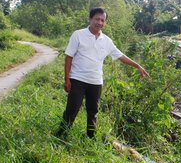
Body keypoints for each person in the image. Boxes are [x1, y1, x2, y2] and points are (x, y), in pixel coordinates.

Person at [56, 7, 148, 138]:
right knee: (72, 109)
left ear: (105, 22)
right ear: (90, 19)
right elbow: (69, 57)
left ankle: (90, 138)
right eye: (97, 19)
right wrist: (67, 79)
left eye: (102, 20)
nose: (99, 22)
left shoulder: (107, 41)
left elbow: (121, 56)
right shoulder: (78, 35)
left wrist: (137, 66)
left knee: (93, 111)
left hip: (95, 81)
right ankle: (61, 135)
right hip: (77, 79)